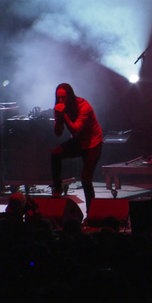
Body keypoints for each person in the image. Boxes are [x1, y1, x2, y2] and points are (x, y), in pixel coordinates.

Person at [51, 83, 103, 212]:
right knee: (55, 153)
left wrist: (64, 116)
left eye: (63, 97)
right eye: (59, 98)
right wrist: (58, 118)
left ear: (70, 96)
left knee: (86, 179)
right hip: (79, 142)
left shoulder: (84, 107)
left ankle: (91, 212)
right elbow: (58, 133)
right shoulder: (60, 107)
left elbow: (75, 130)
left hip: (93, 143)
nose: (61, 100)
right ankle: (57, 188)